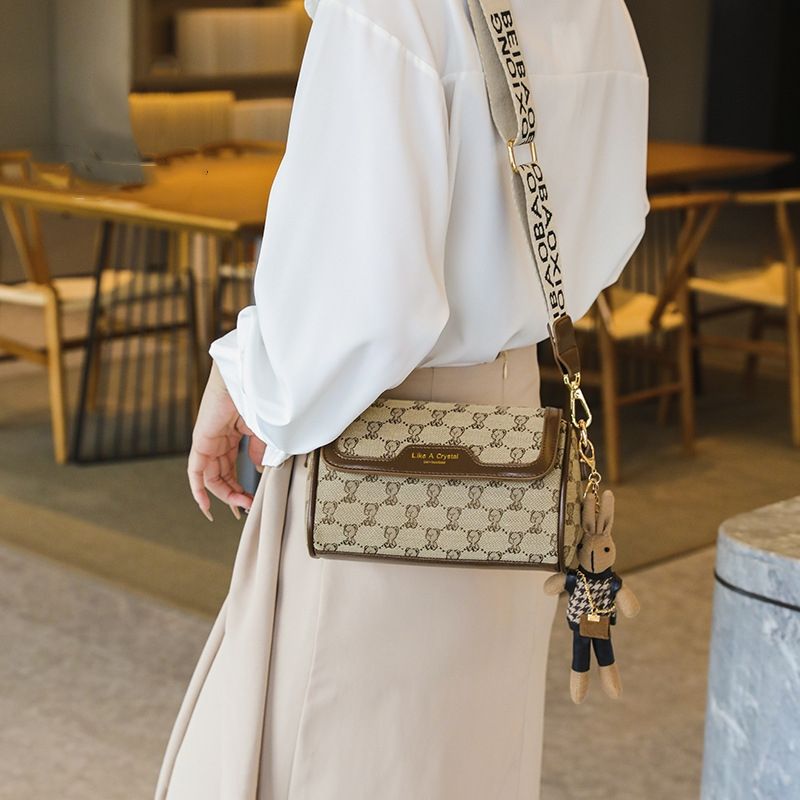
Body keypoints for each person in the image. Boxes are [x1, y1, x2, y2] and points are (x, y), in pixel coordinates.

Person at [156, 0, 648, 797]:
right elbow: (614, 224)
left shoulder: (382, 10)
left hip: (381, 441)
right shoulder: (598, 8)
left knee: (336, 758)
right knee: (466, 759)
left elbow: (354, 308)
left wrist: (241, 373)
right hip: (511, 437)